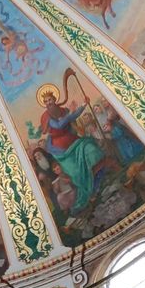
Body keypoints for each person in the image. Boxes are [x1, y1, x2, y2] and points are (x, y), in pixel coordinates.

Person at [38, 75, 107, 210]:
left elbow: (72, 116)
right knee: (76, 172)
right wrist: (69, 115)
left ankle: (98, 182)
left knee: (91, 149)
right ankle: (89, 192)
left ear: (54, 99)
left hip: (72, 140)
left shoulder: (62, 110)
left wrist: (83, 105)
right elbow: (59, 125)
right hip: (60, 149)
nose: (48, 103)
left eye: (50, 100)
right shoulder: (46, 117)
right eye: (45, 101)